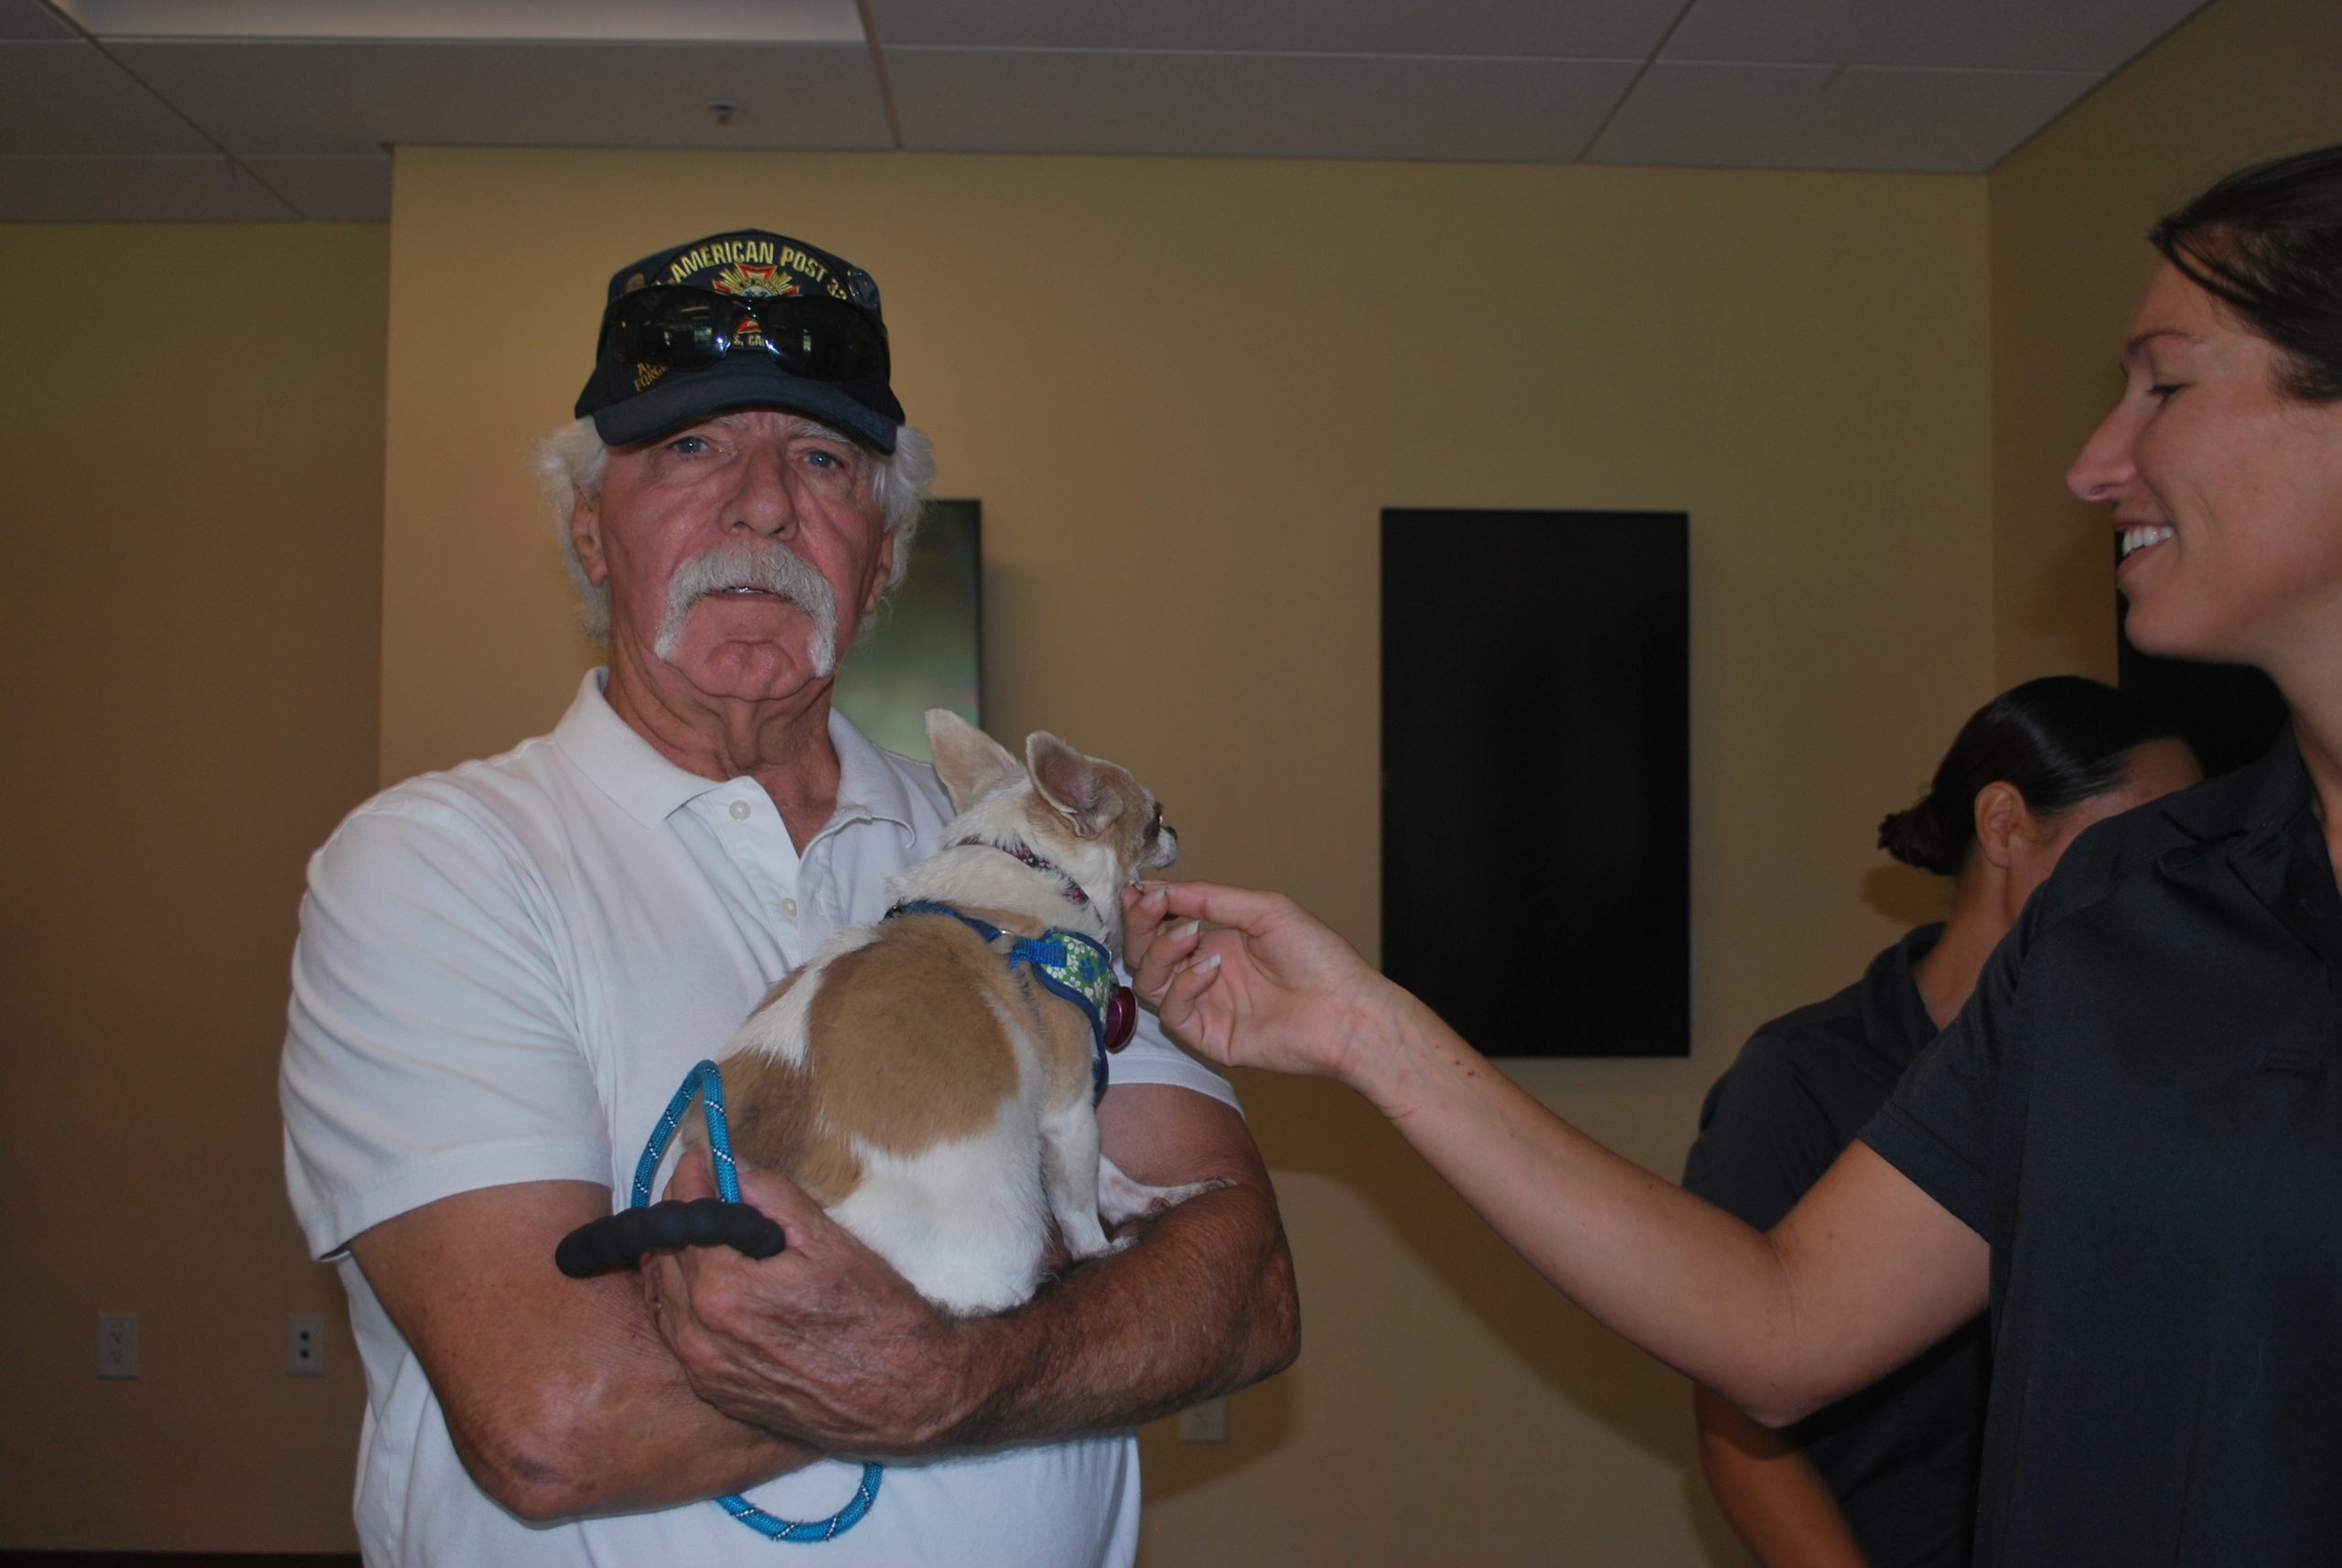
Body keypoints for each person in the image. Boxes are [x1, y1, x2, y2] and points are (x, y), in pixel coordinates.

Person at [1123, 143, 2342, 1565]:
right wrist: (1362, 1029)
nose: (2093, 463)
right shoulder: (2125, 909)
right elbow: (1781, 1324)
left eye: (2167, 384)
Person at [280, 229, 1297, 1568]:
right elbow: (558, 1415)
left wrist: (941, 1366)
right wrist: (1032, 1313)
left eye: (822, 463)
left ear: (878, 561)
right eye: (688, 449)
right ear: (589, 531)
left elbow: (1241, 1287)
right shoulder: (439, 863)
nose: (760, 504)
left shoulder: (1038, 863)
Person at [1683, 677, 2197, 1568]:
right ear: (2004, 825)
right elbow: (1736, 1423)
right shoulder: (1803, 1075)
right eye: (2148, 839)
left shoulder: (2157, 1071)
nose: (2180, 884)